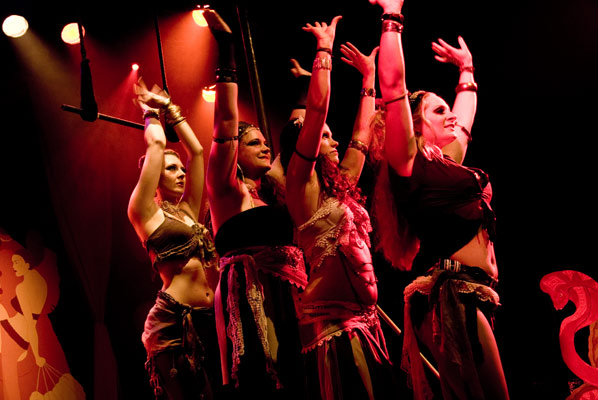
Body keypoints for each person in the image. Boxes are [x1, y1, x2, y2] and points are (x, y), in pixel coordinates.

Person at [368, 0, 510, 399]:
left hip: (474, 292)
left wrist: (467, 70)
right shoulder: (410, 163)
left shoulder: (446, 161)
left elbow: (465, 116)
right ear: (413, 122)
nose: (452, 116)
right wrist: (392, 17)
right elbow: (393, 88)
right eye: (439, 110)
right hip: (454, 293)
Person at [281, 15, 401, 400]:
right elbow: (315, 113)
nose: (330, 139)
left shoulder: (342, 183)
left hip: (367, 323)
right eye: (323, 136)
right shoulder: (302, 184)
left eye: (332, 135)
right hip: (335, 328)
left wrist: (368, 79)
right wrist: (324, 51)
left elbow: (362, 135)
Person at [203, 9, 308, 399]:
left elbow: (297, 140)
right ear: (234, 153)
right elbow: (225, 124)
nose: (265, 145)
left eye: (265, 141)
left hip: (289, 298)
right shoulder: (227, 190)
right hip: (250, 297)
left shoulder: (272, 187)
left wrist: (303, 93)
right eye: (254, 142)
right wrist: (227, 54)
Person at [127, 78, 222, 399]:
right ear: (154, 178)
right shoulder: (144, 213)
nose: (182, 173)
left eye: (180, 169)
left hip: (208, 318)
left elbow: (196, 152)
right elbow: (155, 145)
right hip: (173, 324)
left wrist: (171, 108)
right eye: (171, 169)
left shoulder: (187, 212)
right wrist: (149, 113)